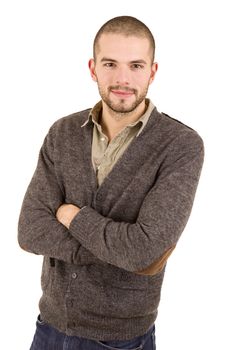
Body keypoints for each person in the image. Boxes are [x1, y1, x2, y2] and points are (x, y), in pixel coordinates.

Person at [18, 15, 204, 350]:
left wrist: (71, 216)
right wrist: (122, 249)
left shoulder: (180, 145)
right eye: (110, 64)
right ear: (93, 68)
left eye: (135, 65)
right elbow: (30, 231)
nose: (122, 79)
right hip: (48, 328)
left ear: (152, 71)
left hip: (120, 340)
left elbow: (142, 250)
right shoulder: (62, 133)